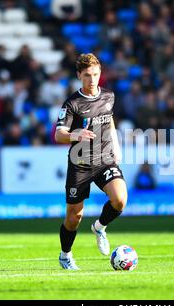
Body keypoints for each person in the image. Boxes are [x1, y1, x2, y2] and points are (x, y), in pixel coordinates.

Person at [55, 53, 127, 270]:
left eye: (95, 74)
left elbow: (109, 120)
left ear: (100, 73)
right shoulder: (72, 104)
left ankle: (99, 227)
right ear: (79, 75)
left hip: (105, 159)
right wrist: (76, 135)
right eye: (87, 75)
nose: (92, 79)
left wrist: (116, 146)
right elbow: (59, 134)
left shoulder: (109, 96)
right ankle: (65, 255)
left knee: (120, 200)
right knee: (74, 216)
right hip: (80, 164)